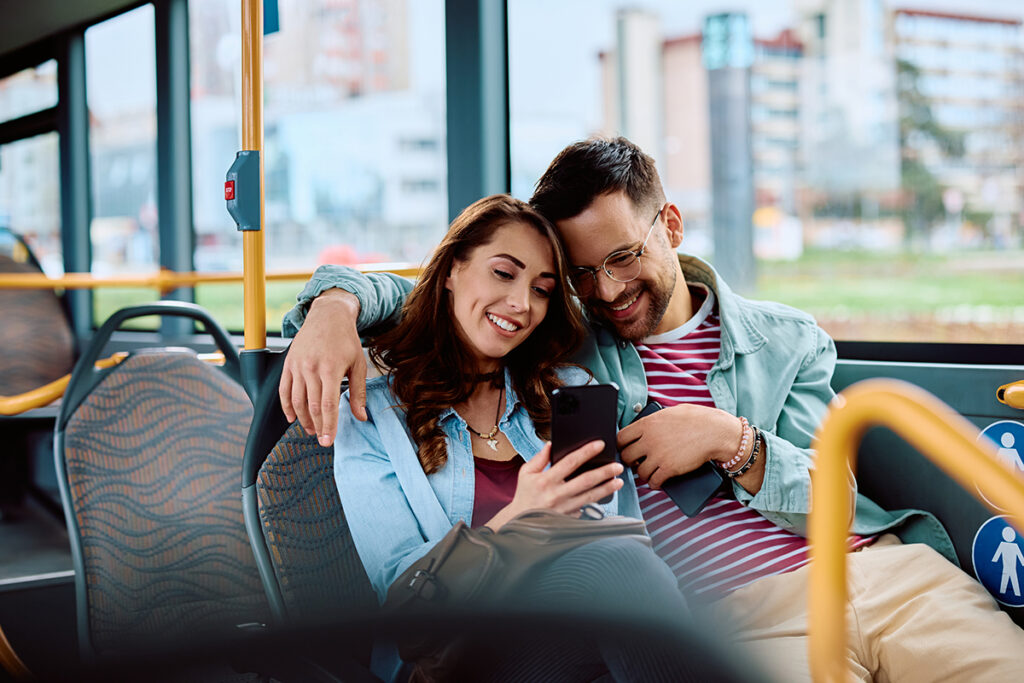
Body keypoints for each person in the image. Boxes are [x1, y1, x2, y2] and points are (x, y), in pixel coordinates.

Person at [283, 138, 1024, 681]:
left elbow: (832, 496)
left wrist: (729, 439)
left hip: (881, 571)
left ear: (668, 226)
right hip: (741, 617)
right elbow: (447, 296)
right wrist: (333, 303)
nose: (606, 291)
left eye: (623, 257)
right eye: (579, 276)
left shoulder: (785, 338)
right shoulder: (567, 354)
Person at [332, 194, 695, 682]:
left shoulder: (569, 394)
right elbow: (404, 597)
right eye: (504, 273)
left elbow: (621, 531)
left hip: (575, 640)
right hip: (450, 657)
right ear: (452, 270)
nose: (522, 305)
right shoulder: (371, 413)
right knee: (622, 571)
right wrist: (519, 520)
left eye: (543, 290)